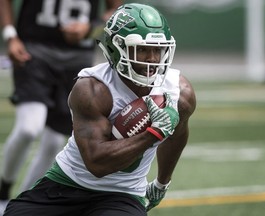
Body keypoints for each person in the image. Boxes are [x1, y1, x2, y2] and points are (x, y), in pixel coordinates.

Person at [2, 3, 196, 216]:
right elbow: (96, 164)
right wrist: (153, 134)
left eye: (158, 50)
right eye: (141, 49)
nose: (152, 59)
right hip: (67, 183)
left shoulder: (179, 93)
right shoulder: (91, 88)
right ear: (116, 49)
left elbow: (177, 135)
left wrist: (161, 183)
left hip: (123, 194)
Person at [0, 0, 122, 214]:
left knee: (53, 142)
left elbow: (116, 11)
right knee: (29, 127)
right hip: (35, 52)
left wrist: (90, 28)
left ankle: (22, 204)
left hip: (77, 60)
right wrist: (10, 35)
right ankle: (3, 190)